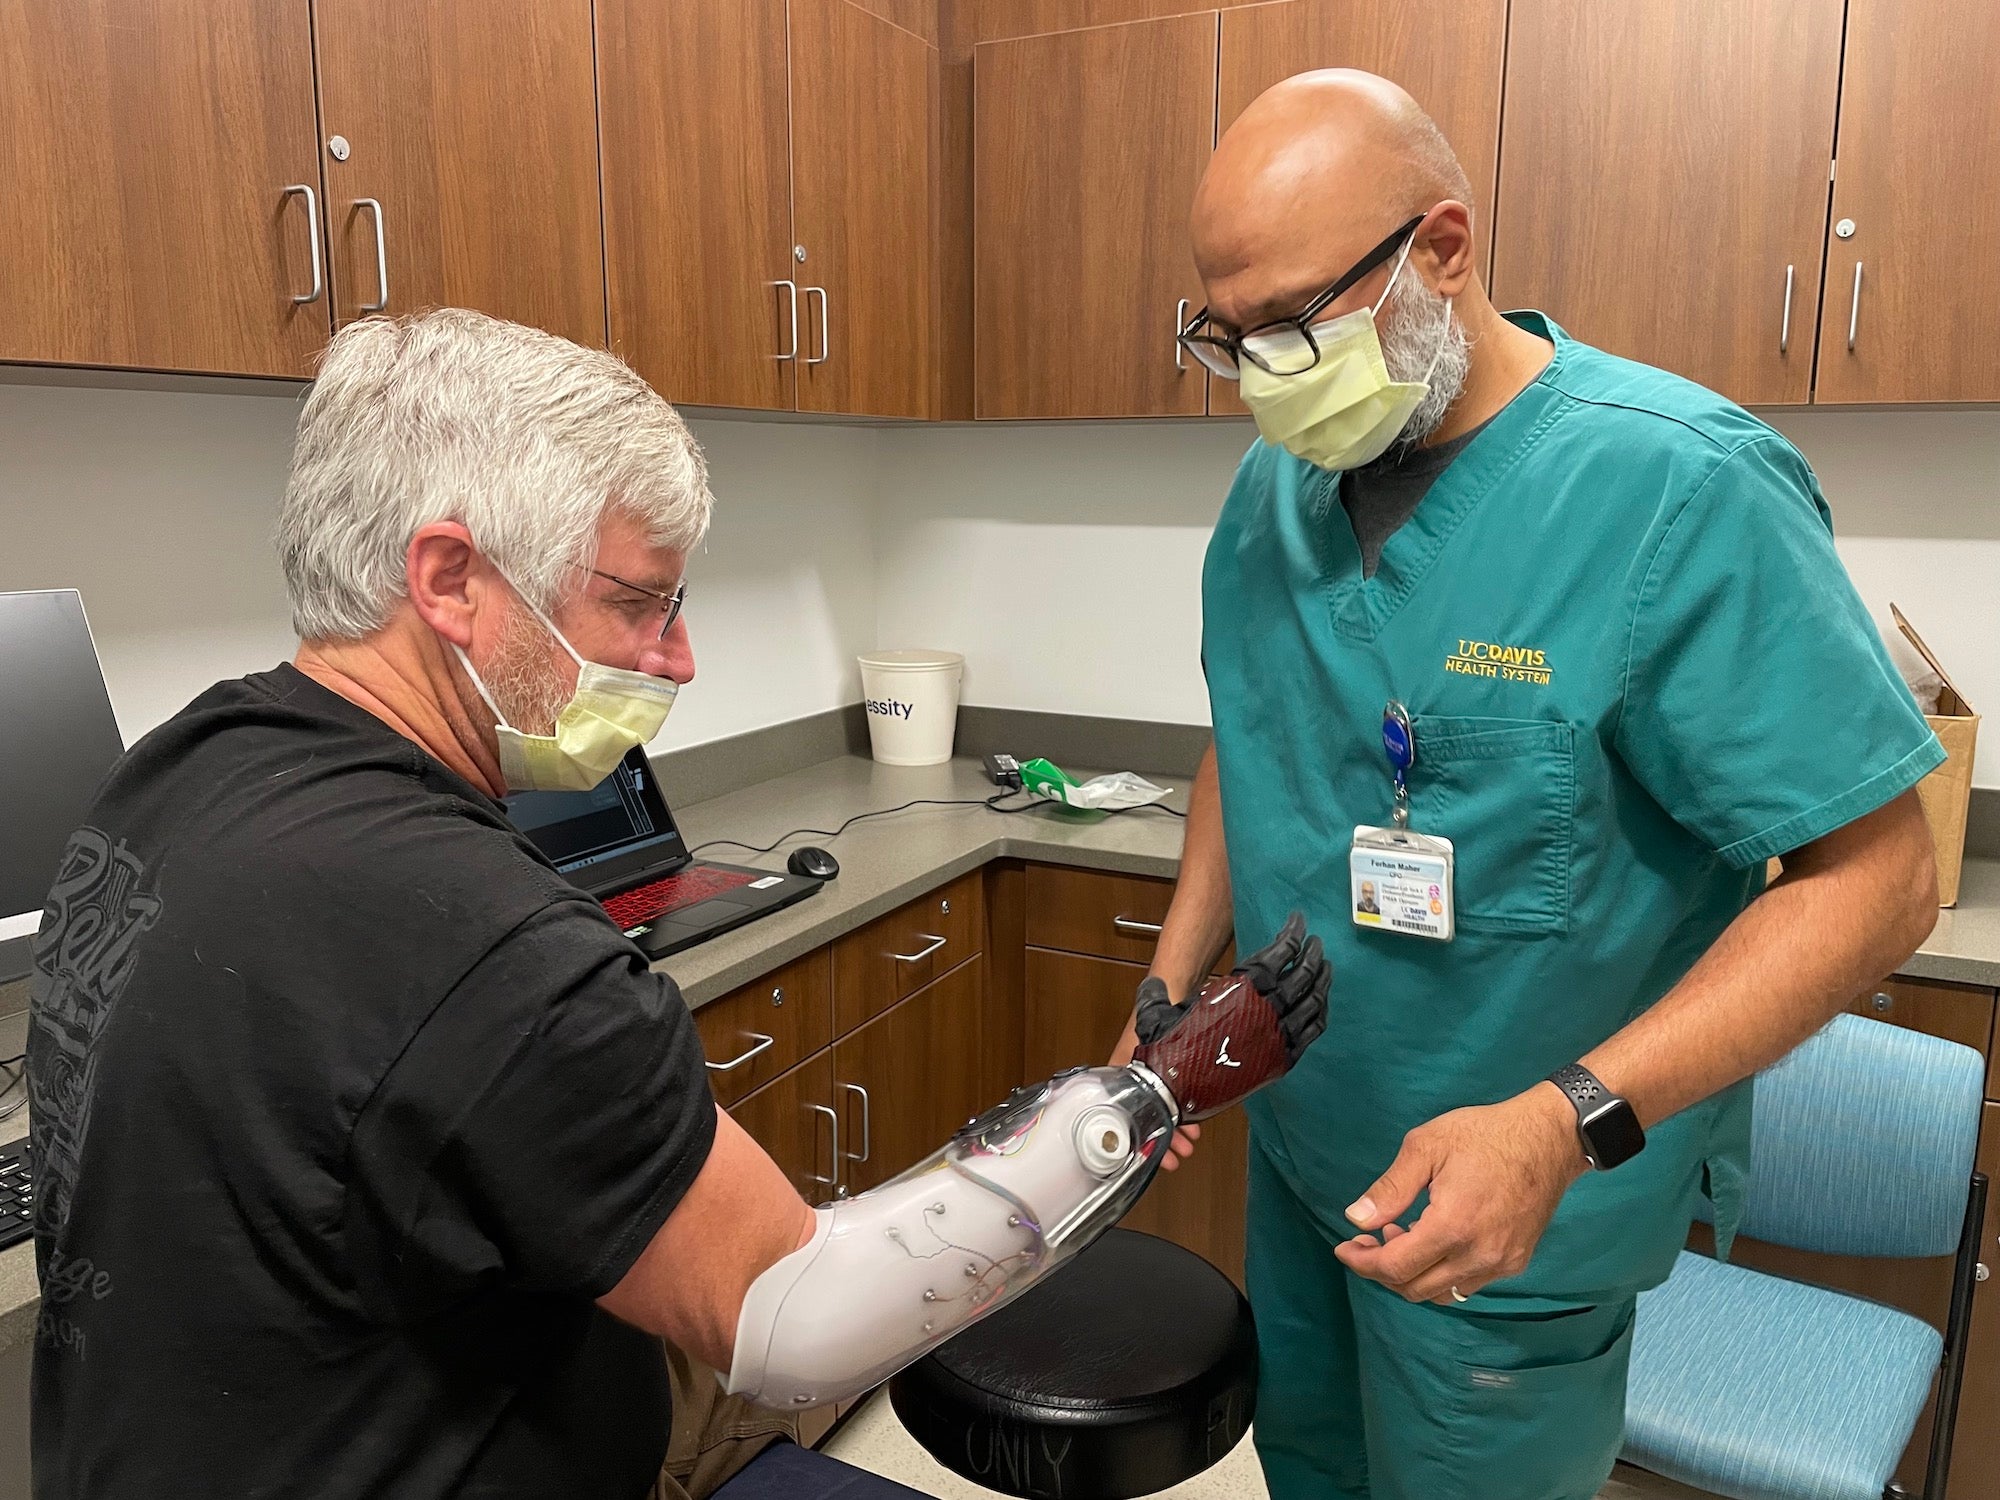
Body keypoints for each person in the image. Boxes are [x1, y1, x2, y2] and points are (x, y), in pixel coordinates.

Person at [27, 309, 1331, 1500]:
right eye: (637, 604)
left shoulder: (172, 777)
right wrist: (1151, 1096)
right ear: (448, 580)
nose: (678, 659)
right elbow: (802, 1323)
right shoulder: (482, 952)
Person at [1119, 70, 1944, 1500]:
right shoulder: (1275, 489)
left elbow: (1882, 882)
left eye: (1296, 328)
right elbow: (1246, 735)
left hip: (1514, 1217)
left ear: (1443, 248)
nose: (1263, 377)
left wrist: (1566, 1119)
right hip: (1305, 1162)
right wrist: (1168, 983)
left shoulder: (1681, 492)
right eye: (1228, 335)